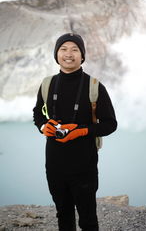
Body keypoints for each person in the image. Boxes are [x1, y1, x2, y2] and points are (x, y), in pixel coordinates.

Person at [33, 33, 117, 231]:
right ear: (56, 54)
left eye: (74, 49)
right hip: (54, 164)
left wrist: (80, 131)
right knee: (63, 214)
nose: (68, 54)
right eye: (63, 49)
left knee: (88, 218)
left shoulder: (95, 86)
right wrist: (44, 126)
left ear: (82, 56)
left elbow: (110, 124)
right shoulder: (47, 84)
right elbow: (37, 113)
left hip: (84, 166)